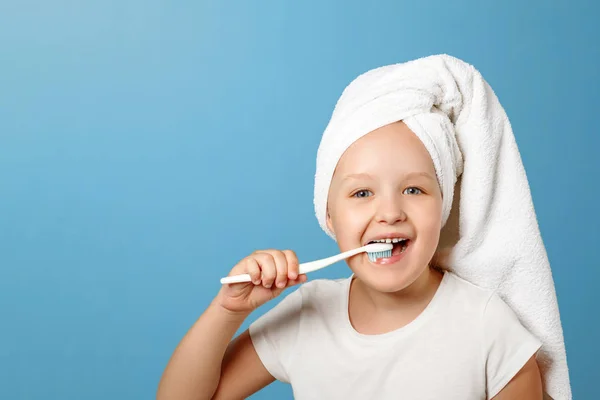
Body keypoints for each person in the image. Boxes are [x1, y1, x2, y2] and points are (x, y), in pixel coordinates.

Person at [157, 55, 555, 399]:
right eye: (362, 193)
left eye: (414, 189)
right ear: (329, 216)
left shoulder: (490, 329)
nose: (390, 212)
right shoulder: (305, 314)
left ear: (445, 207)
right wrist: (227, 311)